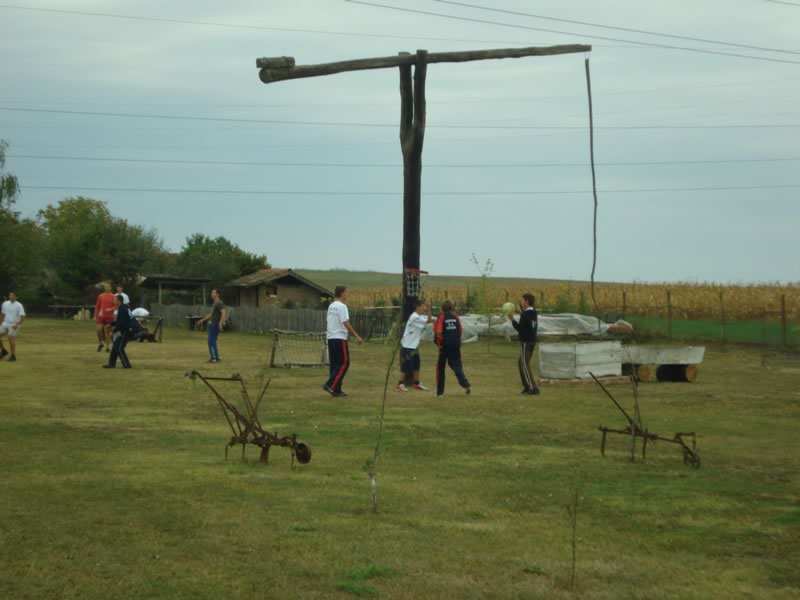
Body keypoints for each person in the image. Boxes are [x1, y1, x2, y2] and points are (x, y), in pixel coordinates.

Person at [323, 286, 362, 397]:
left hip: (331, 337)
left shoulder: (331, 306)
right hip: (339, 338)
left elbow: (329, 320)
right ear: (341, 293)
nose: (347, 294)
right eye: (346, 292)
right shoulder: (342, 306)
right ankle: (330, 384)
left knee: (335, 364)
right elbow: (346, 323)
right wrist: (356, 336)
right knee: (345, 362)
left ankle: (336, 390)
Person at [433, 300, 471, 397]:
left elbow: (438, 332)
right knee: (456, 365)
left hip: (444, 346)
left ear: (442, 308)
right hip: (455, 345)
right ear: (451, 308)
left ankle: (440, 393)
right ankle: (465, 384)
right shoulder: (456, 317)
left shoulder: (441, 317)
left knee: (440, 368)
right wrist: (456, 341)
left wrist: (440, 342)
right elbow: (460, 330)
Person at [395, 299, 432, 392]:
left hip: (414, 346)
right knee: (406, 366)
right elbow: (429, 320)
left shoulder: (420, 316)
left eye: (425, 306)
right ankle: (400, 384)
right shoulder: (414, 317)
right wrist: (429, 309)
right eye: (423, 306)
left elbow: (430, 319)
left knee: (416, 364)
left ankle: (416, 383)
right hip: (407, 345)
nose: (425, 308)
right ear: (417, 307)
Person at [507, 292, 540, 395]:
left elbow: (520, 328)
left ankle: (532, 388)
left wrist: (512, 320)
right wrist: (521, 313)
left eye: (523, 300)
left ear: (527, 301)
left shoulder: (526, 314)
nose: (522, 302)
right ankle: (527, 386)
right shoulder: (533, 312)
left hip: (526, 342)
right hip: (532, 341)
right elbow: (527, 320)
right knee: (521, 362)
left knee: (524, 364)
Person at [196, 289, 227, 363]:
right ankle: (215, 357)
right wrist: (202, 320)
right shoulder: (214, 303)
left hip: (215, 324)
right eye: (212, 293)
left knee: (211, 340)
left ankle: (214, 358)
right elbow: (211, 314)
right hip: (212, 323)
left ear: (218, 294)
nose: (212, 294)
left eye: (213, 293)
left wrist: (220, 323)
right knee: (211, 341)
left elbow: (224, 312)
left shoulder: (219, 302)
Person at [103, 294, 132, 369]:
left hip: (127, 330)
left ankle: (126, 365)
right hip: (124, 330)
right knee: (115, 347)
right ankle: (111, 364)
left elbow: (122, 323)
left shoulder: (123, 309)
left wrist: (113, 331)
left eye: (114, 300)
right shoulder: (122, 308)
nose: (113, 301)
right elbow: (120, 321)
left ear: (119, 301)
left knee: (119, 348)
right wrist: (111, 324)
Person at [0, 291, 26, 362]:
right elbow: (2, 313)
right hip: (5, 323)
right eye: (10, 295)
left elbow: (23, 316)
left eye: (12, 295)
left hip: (14, 325)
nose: (11, 297)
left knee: (10, 338)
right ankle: (3, 351)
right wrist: (1, 322)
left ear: (16, 297)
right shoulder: (5, 303)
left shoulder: (19, 305)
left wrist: (17, 325)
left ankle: (13, 355)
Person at [95, 283, 115, 352]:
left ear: (111, 288)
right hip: (101, 316)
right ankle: (101, 343)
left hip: (109, 317)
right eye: (105, 287)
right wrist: (95, 315)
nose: (107, 288)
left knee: (107, 332)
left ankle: (108, 347)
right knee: (99, 330)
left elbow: (116, 306)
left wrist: (111, 309)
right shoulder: (101, 296)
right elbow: (97, 306)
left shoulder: (113, 296)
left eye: (108, 287)